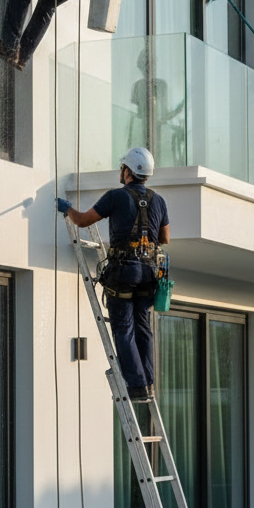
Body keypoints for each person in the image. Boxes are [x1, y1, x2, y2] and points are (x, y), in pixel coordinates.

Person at [56, 146, 169, 401]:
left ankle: (137, 385)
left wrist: (68, 209)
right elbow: (165, 237)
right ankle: (148, 383)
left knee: (123, 327)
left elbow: (83, 221)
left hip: (124, 270)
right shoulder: (158, 200)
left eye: (122, 168)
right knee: (143, 327)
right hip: (149, 273)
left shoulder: (116, 197)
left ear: (127, 171)